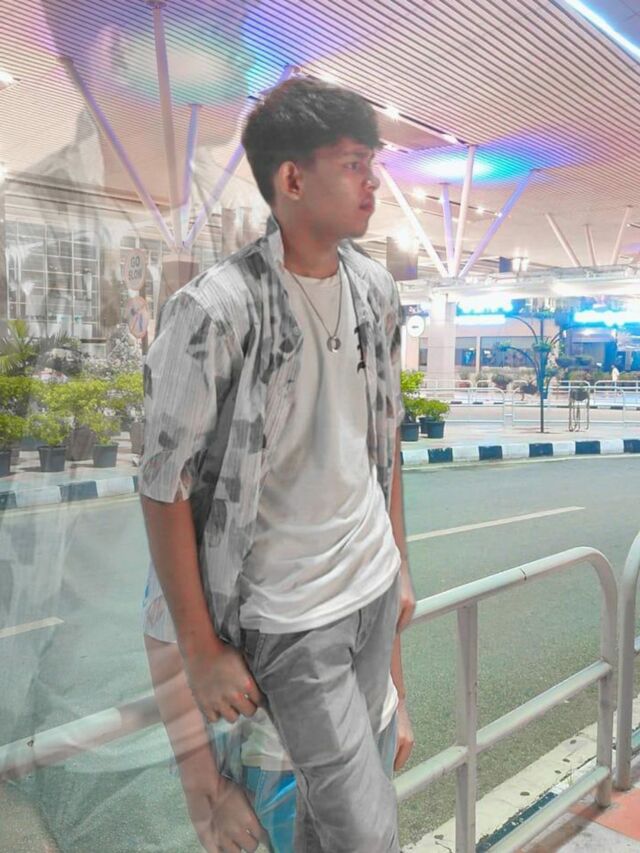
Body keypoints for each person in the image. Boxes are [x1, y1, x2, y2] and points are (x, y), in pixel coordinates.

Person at [140, 77, 415, 852]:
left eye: (372, 162)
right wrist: (201, 652)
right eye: (354, 163)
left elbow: (383, 449)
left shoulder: (376, 293)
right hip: (286, 630)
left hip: (366, 603)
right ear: (292, 179)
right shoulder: (213, 311)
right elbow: (162, 486)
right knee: (366, 833)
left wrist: (398, 572)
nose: (373, 181)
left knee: (338, 825)